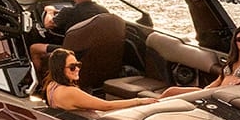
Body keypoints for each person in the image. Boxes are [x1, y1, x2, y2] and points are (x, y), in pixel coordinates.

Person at [40, 49, 186, 113]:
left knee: (170, 93)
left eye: (78, 65)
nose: (77, 69)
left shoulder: (52, 85)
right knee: (170, 92)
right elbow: (106, 106)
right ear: (60, 69)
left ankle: (207, 90)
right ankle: (206, 91)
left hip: (92, 118)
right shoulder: (69, 92)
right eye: (72, 67)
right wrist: (138, 101)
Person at [29, 0, 110, 86]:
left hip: (73, 51)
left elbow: (48, 24)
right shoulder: (103, 11)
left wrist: (50, 11)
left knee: (34, 48)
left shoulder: (69, 11)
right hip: (95, 51)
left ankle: (41, 85)